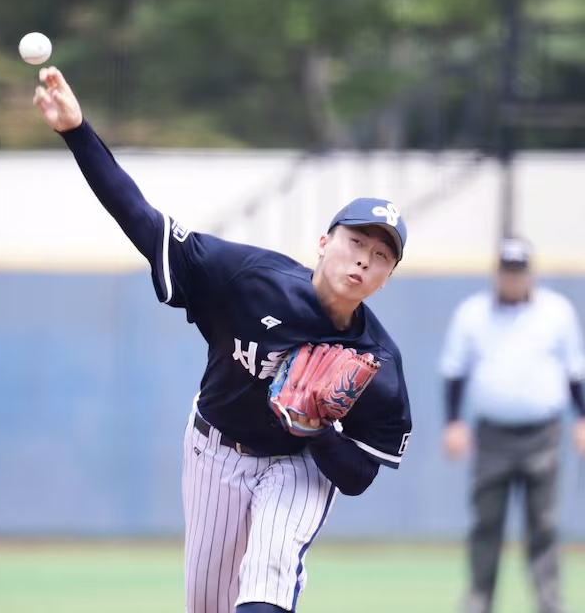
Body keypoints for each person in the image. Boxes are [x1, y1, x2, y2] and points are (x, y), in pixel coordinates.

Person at [32, 67, 412, 613]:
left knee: (268, 579)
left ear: (386, 278)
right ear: (323, 242)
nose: (363, 260)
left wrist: (320, 432)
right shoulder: (245, 278)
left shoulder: (378, 363)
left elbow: (357, 477)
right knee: (209, 604)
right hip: (216, 450)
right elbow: (141, 219)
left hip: (298, 463)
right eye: (356, 242)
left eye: (380, 256)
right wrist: (76, 131)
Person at [439, 237, 585, 613]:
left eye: (519, 272)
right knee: (486, 522)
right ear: (497, 274)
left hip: (543, 434)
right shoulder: (473, 314)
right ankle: (478, 602)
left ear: (530, 274)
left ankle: (550, 604)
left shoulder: (556, 312)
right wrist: (453, 422)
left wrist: (582, 417)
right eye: (507, 272)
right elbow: (454, 371)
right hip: (493, 435)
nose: (513, 280)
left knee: (544, 525)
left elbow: (574, 371)